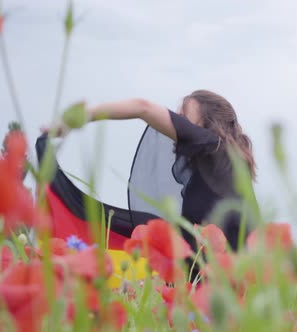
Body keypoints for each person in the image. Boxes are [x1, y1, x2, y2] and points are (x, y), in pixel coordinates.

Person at [43, 89, 256, 279]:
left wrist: (77, 118)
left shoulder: (212, 146)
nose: (177, 121)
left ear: (208, 122)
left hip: (220, 289)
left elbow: (142, 107)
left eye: (184, 116)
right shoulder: (226, 164)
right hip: (215, 285)